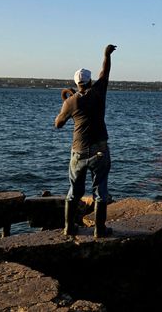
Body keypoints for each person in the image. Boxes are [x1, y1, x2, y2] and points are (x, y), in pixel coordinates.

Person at [55, 44, 117, 238]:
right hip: (99, 148)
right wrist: (106, 54)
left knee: (74, 190)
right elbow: (105, 72)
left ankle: (69, 227)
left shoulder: (70, 102)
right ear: (90, 81)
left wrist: (67, 104)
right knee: (100, 190)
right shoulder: (99, 92)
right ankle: (100, 230)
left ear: (76, 83)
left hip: (78, 150)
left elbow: (58, 124)